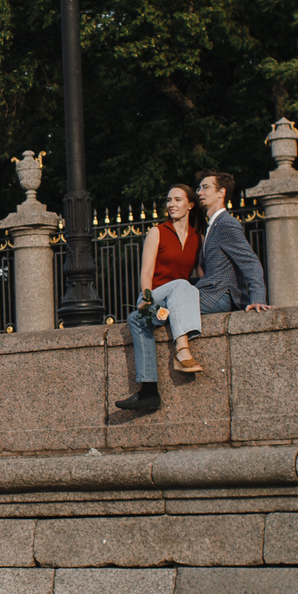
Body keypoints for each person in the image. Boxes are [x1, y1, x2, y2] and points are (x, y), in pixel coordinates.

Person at [116, 184, 202, 415]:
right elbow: (146, 272)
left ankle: (149, 393)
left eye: (177, 200)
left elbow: (201, 276)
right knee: (182, 284)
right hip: (154, 296)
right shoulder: (158, 232)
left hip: (170, 307)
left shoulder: (197, 238)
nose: (171, 204)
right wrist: (145, 297)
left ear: (190, 205)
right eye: (168, 200)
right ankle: (182, 350)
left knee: (139, 319)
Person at [192, 170, 267, 318]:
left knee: (161, 312)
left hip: (217, 297)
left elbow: (251, 262)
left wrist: (257, 299)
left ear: (221, 192)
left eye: (205, 187)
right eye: (199, 188)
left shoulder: (226, 224)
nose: (200, 192)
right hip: (210, 295)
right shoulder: (213, 225)